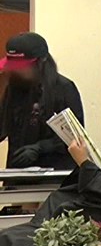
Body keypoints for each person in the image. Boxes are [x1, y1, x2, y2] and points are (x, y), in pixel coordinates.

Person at [0, 32, 84, 170]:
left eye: (22, 66)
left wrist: (40, 148)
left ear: (41, 60)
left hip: (55, 173)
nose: (17, 71)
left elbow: (75, 136)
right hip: (18, 172)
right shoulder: (13, 89)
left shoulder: (63, 88)